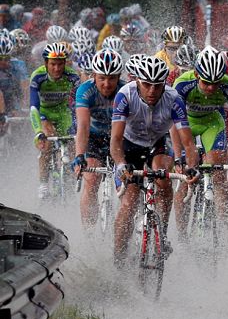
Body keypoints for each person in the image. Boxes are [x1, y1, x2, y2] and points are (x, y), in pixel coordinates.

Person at [110, 55, 199, 266]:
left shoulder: (174, 98)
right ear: (138, 81)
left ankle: (163, 233)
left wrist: (192, 167)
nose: (152, 91)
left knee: (163, 175)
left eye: (157, 86)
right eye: (147, 85)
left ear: (164, 84)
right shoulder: (125, 95)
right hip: (128, 145)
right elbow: (114, 139)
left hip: (156, 144)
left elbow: (188, 142)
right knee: (129, 202)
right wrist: (122, 164)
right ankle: (118, 259)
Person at [172, 46, 228, 236]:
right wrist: (179, 157)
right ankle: (181, 235)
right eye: (206, 82)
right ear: (196, 74)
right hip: (186, 122)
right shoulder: (182, 84)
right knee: (186, 177)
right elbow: (173, 123)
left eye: (216, 83)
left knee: (217, 172)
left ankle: (224, 226)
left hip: (212, 123)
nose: (211, 88)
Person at [73, 49, 126, 228]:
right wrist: (79, 155)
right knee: (92, 179)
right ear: (94, 75)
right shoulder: (85, 90)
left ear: (119, 77)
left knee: (125, 185)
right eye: (102, 77)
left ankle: (127, 227)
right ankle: (88, 233)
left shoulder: (125, 91)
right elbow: (83, 126)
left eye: (112, 78)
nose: (106, 83)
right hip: (93, 138)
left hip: (119, 139)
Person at [29, 42, 81, 199]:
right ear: (46, 63)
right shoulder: (37, 77)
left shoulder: (73, 77)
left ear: (65, 63)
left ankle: (70, 178)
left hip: (64, 113)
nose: (57, 68)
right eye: (53, 64)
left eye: (60, 64)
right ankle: (43, 183)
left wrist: (76, 127)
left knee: (73, 143)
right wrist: (39, 131)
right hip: (45, 113)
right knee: (48, 140)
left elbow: (78, 106)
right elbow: (33, 107)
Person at [0, 36, 29, 115]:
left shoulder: (17, 65)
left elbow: (24, 86)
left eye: (6, 58)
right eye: (0, 58)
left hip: (10, 102)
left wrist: (23, 107)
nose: (3, 62)